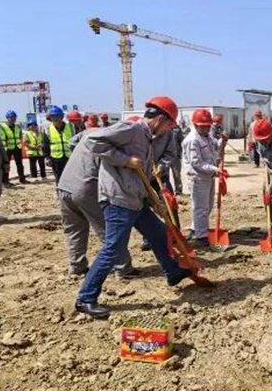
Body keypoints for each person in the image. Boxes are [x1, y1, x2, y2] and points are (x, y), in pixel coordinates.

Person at [75, 96, 207, 319]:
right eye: (168, 125)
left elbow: (142, 176)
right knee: (113, 248)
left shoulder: (147, 139)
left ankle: (172, 272)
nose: (167, 130)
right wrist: (125, 160)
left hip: (136, 199)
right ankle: (86, 298)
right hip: (118, 199)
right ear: (160, 119)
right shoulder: (131, 129)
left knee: (158, 233)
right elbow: (92, 142)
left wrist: (155, 201)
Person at [57, 118, 139, 279]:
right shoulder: (112, 142)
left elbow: (71, 143)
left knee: (74, 229)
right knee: (108, 229)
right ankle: (122, 267)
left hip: (64, 186)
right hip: (86, 189)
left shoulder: (87, 134)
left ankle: (77, 265)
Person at [182, 108, 227, 248]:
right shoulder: (192, 140)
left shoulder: (207, 136)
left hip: (208, 176)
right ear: (195, 125)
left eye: (208, 126)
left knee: (207, 205)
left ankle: (195, 228)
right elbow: (196, 163)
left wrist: (222, 141)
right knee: (200, 207)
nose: (207, 128)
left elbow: (215, 145)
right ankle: (201, 237)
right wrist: (215, 170)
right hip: (197, 178)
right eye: (203, 126)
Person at [43, 105, 74, 184]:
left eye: (58, 117)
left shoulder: (70, 127)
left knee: (71, 177)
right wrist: (47, 158)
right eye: (54, 117)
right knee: (59, 177)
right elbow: (46, 145)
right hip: (56, 158)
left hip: (70, 157)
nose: (56, 119)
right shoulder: (48, 130)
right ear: (51, 118)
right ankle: (60, 190)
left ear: (62, 117)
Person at [0, 110, 27, 186]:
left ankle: (22, 179)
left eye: (14, 117)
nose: (13, 119)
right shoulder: (3, 127)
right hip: (7, 148)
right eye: (11, 117)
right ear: (7, 118)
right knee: (6, 165)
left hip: (17, 147)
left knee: (19, 164)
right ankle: (5, 181)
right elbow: (2, 137)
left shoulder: (18, 126)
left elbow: (20, 136)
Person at [170, 120, 185, 195]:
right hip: (164, 156)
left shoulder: (177, 129)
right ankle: (167, 193)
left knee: (177, 174)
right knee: (164, 175)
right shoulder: (163, 128)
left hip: (175, 156)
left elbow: (182, 141)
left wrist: (180, 154)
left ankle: (178, 191)